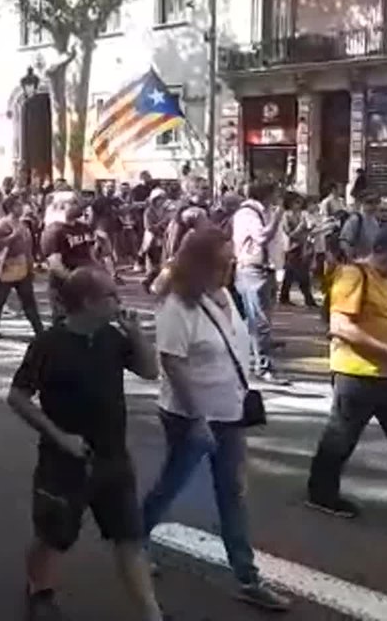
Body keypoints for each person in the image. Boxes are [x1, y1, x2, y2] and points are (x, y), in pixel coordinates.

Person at [141, 227, 291, 612]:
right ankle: (134, 542)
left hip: (230, 412)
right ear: (202, 262)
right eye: (223, 260)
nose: (232, 266)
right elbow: (171, 361)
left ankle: (246, 577)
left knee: (232, 493)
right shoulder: (179, 304)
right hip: (191, 416)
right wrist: (197, 417)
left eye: (232, 260)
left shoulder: (223, 295)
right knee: (171, 485)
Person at [6, 267, 164, 621]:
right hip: (63, 464)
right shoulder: (49, 344)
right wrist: (60, 438)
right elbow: (17, 396)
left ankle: (151, 613)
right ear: (90, 302)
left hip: (113, 458)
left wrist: (137, 336)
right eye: (112, 296)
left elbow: (151, 371)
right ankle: (38, 589)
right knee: (53, 538)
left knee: (129, 537)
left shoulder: (112, 337)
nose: (119, 302)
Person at [306, 225, 387, 524]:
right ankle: (321, 494)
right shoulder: (353, 275)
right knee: (340, 439)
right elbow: (341, 326)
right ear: (386, 250)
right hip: (358, 375)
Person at [231, 181, 286, 385]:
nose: (277, 198)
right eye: (275, 193)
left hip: (266, 269)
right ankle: (263, 367)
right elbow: (262, 237)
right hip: (252, 271)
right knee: (259, 321)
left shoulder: (264, 211)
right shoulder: (248, 213)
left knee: (259, 320)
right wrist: (278, 216)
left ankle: (253, 359)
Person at [0, 196, 44, 338]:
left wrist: (31, 265)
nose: (21, 208)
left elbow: (28, 247)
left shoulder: (22, 224)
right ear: (11, 207)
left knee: (29, 301)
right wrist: (12, 237)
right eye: (18, 205)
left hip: (22, 267)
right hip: (7, 268)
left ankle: (39, 330)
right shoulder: (2, 225)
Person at [40, 191, 98, 322]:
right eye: (74, 203)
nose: (80, 205)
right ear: (61, 206)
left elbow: (91, 255)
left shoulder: (84, 228)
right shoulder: (54, 231)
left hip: (86, 285)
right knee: (65, 324)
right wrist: (74, 281)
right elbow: (55, 265)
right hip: (64, 287)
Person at [339, 192, 381, 263]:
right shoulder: (356, 220)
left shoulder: (376, 221)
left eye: (376, 202)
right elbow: (344, 242)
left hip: (370, 266)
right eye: (369, 202)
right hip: (356, 266)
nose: (373, 206)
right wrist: (352, 261)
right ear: (362, 203)